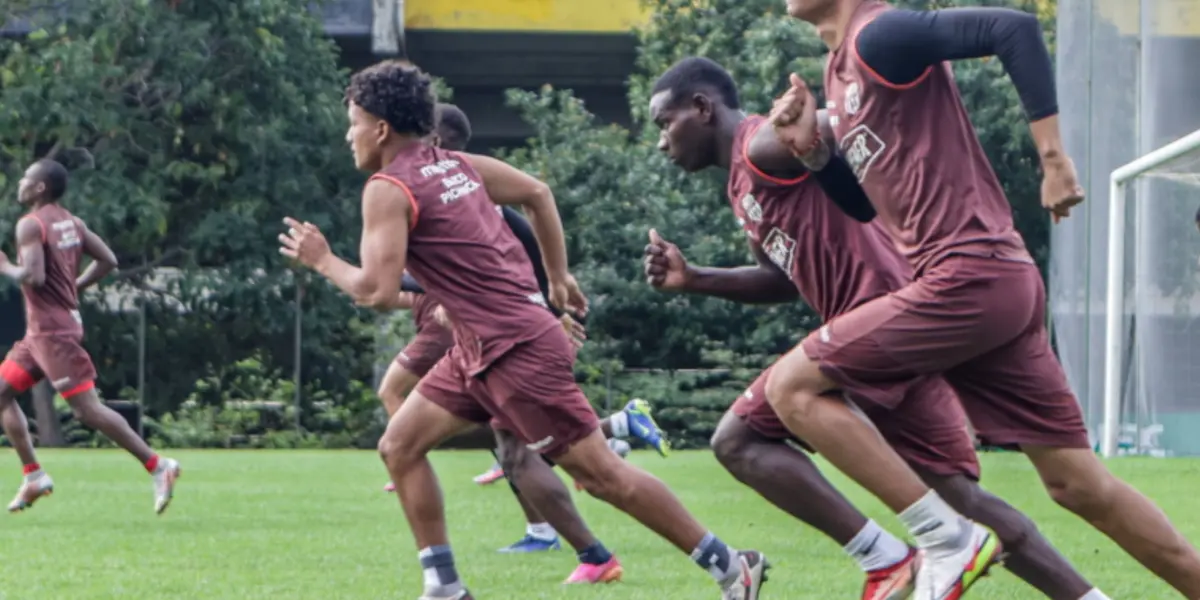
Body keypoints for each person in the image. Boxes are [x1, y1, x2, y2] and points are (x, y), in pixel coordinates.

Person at [279, 61, 767, 600]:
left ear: (379, 128)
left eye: (352, 122)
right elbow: (537, 192)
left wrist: (322, 259)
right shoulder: (457, 165)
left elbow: (374, 291)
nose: (348, 134)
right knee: (399, 445)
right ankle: (444, 587)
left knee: (603, 476)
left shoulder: (387, 188)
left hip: (513, 350)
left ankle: (731, 566)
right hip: (480, 348)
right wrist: (557, 279)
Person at [764, 1, 1200, 598]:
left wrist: (1053, 158)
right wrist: (814, 153)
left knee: (790, 388)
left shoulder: (880, 34)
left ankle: (947, 541)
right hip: (993, 283)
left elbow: (1012, 28)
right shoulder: (839, 73)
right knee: (1078, 486)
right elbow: (870, 209)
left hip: (967, 276)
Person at [645, 55, 1102, 600]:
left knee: (740, 439)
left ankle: (888, 559)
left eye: (663, 123)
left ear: (701, 107)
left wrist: (848, 117)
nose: (660, 142)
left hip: (887, 325)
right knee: (960, 500)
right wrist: (694, 278)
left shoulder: (761, 145)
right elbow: (781, 279)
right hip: (866, 338)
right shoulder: (743, 183)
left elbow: (852, 129)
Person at [383, 105, 669, 571]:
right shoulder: (444, 198)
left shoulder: (477, 196)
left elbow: (526, 242)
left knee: (552, 460)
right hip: (488, 344)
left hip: (515, 341)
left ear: (435, 141)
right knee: (516, 453)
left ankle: (696, 554)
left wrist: (554, 304)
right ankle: (591, 538)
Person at [0, 159, 181, 514]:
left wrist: (6, 267)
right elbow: (108, 259)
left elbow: (34, 277)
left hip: (54, 335)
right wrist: (75, 286)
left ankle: (158, 465)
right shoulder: (72, 222)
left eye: (26, 179)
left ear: (40, 188)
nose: (20, 183)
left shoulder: (30, 225)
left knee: (87, 411)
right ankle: (34, 475)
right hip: (42, 334)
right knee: (1, 394)